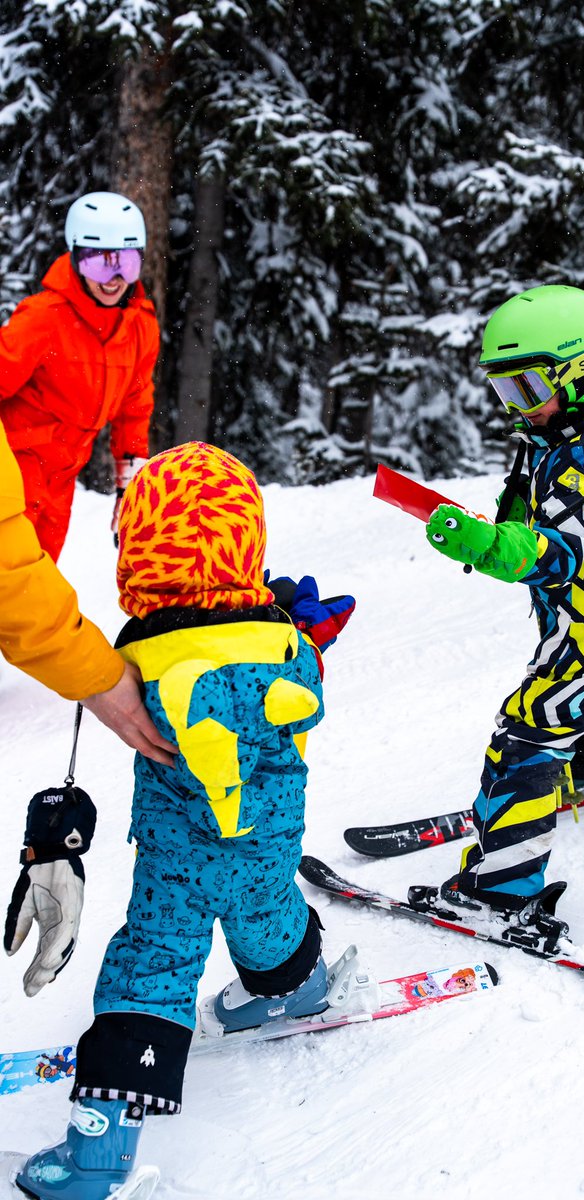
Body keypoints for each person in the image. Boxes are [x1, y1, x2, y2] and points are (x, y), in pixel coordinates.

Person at [12, 442, 355, 1200]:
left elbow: (168, 678)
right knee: (270, 916)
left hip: (178, 871)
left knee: (151, 970)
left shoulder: (138, 662)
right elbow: (304, 687)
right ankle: (293, 987)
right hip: (267, 848)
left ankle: (98, 1150)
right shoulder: (288, 647)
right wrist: (297, 634)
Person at [423, 284, 584, 917]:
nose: (516, 407)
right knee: (580, 688)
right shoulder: (562, 436)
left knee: (527, 730)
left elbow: (558, 552)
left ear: (582, 373)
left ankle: (504, 886)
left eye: (527, 389)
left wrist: (487, 546)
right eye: (504, 391)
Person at [0, 418, 174, 764]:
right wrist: (96, 677)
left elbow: (135, 401)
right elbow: (10, 573)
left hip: (52, 474)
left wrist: (130, 478)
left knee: (35, 569)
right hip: (27, 468)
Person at [0, 190, 158, 562]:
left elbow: (134, 412)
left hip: (61, 483)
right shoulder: (43, 318)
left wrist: (129, 489)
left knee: (35, 588)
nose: (113, 278)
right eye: (99, 264)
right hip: (14, 474)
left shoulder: (139, 328)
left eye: (126, 263)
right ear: (75, 259)